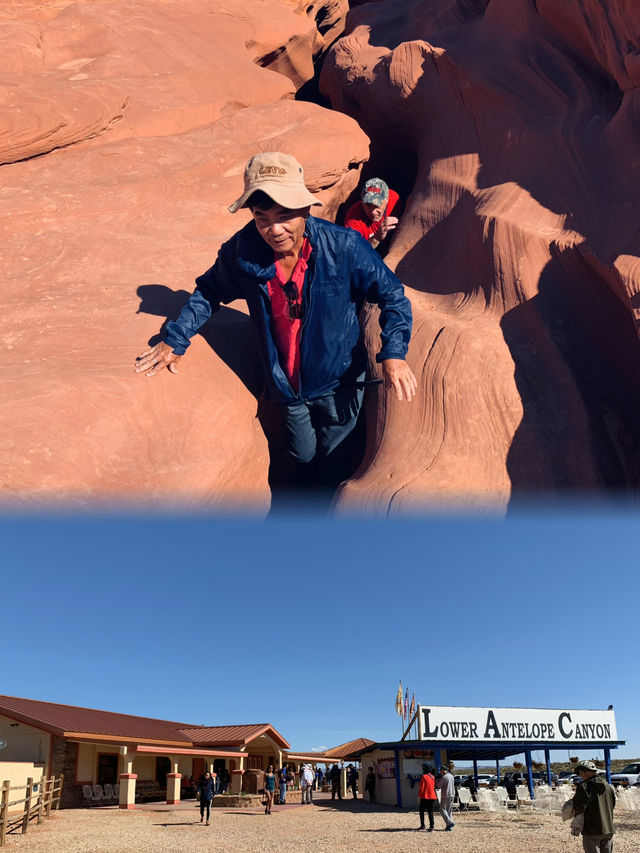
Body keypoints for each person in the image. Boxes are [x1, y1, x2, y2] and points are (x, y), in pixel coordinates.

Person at [135, 152, 416, 491]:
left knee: (335, 457)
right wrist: (176, 338)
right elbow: (209, 290)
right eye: (262, 217)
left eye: (285, 216)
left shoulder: (343, 247)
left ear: (305, 209)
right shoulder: (243, 251)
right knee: (301, 454)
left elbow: (392, 295)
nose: (275, 229)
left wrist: (395, 353)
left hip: (339, 381)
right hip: (285, 387)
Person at [344, 177, 400, 251]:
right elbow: (352, 253)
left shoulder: (395, 201)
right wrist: (376, 238)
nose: (373, 211)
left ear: (387, 199)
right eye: (368, 205)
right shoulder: (353, 218)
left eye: (377, 205)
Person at [572, 760, 616, 853]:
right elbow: (612, 804)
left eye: (580, 773)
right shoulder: (608, 786)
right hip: (608, 829)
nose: (581, 776)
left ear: (584, 772)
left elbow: (579, 807)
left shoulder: (584, 786)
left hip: (592, 830)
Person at [417, 763, 437, 831]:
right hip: (432, 796)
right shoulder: (433, 777)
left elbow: (421, 788)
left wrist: (419, 796)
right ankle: (432, 826)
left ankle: (422, 825)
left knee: (421, 811)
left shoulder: (424, 776)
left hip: (425, 797)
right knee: (430, 812)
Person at [437, 765, 456, 831]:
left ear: (444, 771)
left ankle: (449, 822)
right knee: (449, 811)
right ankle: (448, 827)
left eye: (441, 771)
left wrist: (438, 780)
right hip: (452, 795)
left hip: (445, 795)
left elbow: (439, 786)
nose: (440, 772)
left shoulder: (444, 777)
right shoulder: (451, 776)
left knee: (442, 809)